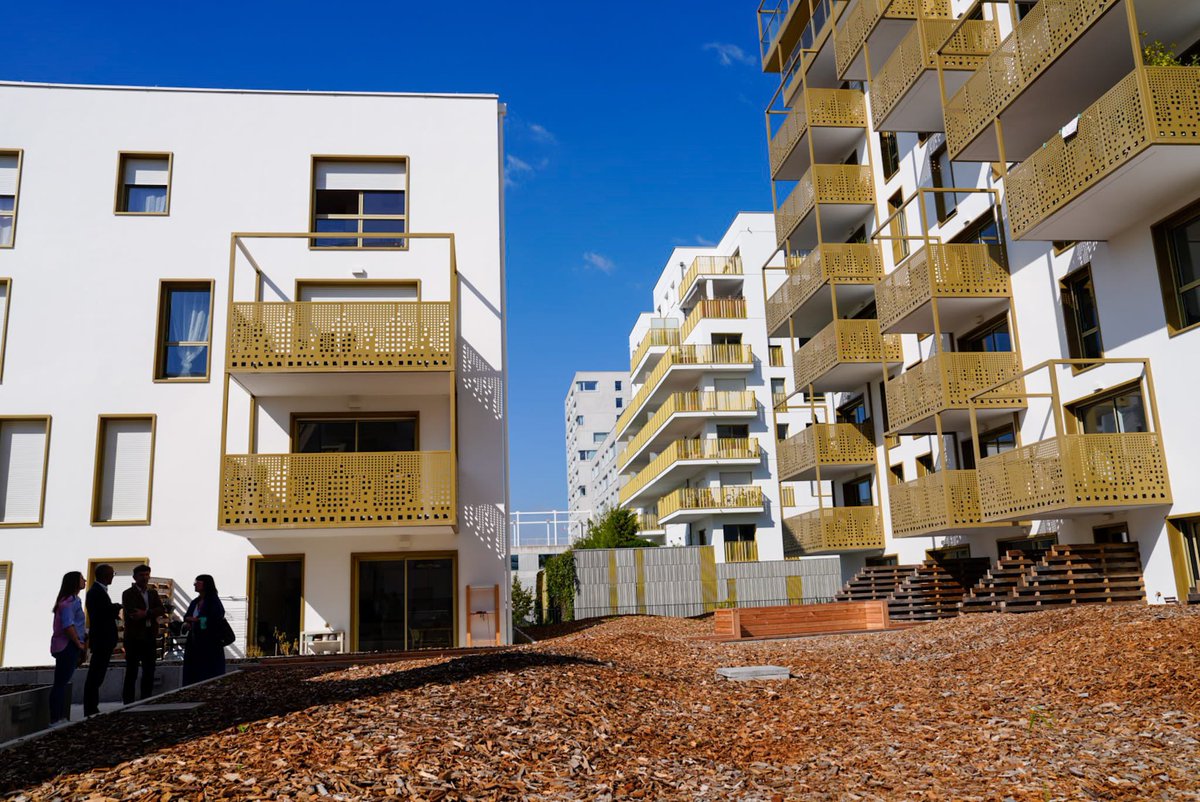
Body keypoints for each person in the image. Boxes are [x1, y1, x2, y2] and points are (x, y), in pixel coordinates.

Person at [121, 564, 165, 704]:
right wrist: (150, 613)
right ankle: (128, 701)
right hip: (134, 637)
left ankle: (146, 698)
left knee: (149, 670)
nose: (145, 578)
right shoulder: (128, 593)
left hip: (149, 635)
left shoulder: (152, 593)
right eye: (142, 575)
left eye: (147, 575)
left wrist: (146, 613)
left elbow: (161, 609)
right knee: (132, 670)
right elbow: (133, 614)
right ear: (135, 577)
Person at [83, 564, 122, 717]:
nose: (113, 576)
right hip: (101, 639)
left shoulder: (98, 591)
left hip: (104, 639)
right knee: (95, 674)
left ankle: (92, 706)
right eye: (112, 574)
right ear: (106, 575)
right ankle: (91, 707)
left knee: (98, 674)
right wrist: (115, 608)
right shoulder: (95, 592)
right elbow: (101, 613)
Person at [49, 571, 87, 723]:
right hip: (67, 645)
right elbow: (68, 625)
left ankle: (59, 716)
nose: (84, 580)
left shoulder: (74, 600)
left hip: (69, 644)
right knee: (60, 683)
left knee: (63, 682)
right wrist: (78, 643)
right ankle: (55, 718)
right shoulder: (67, 603)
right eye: (81, 578)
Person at [182, 574, 227, 685]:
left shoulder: (213, 601)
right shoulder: (195, 602)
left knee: (208, 672)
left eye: (198, 582)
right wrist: (188, 622)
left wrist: (197, 620)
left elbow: (215, 618)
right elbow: (187, 617)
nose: (195, 584)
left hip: (209, 644)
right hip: (194, 643)